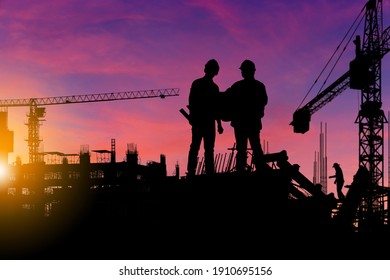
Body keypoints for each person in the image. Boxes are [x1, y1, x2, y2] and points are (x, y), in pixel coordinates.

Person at [225, 59, 268, 173]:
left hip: (240, 123)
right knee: (256, 147)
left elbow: (227, 98)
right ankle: (260, 170)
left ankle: (240, 170)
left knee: (242, 148)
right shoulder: (259, 86)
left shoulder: (237, 86)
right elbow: (264, 101)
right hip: (252, 122)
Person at [186, 59, 224, 176]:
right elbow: (192, 102)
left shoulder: (210, 87)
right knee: (198, 147)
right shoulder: (203, 85)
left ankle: (205, 172)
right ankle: (195, 171)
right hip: (202, 121)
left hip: (205, 121)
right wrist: (218, 124)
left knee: (203, 148)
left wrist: (219, 124)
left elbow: (216, 107)